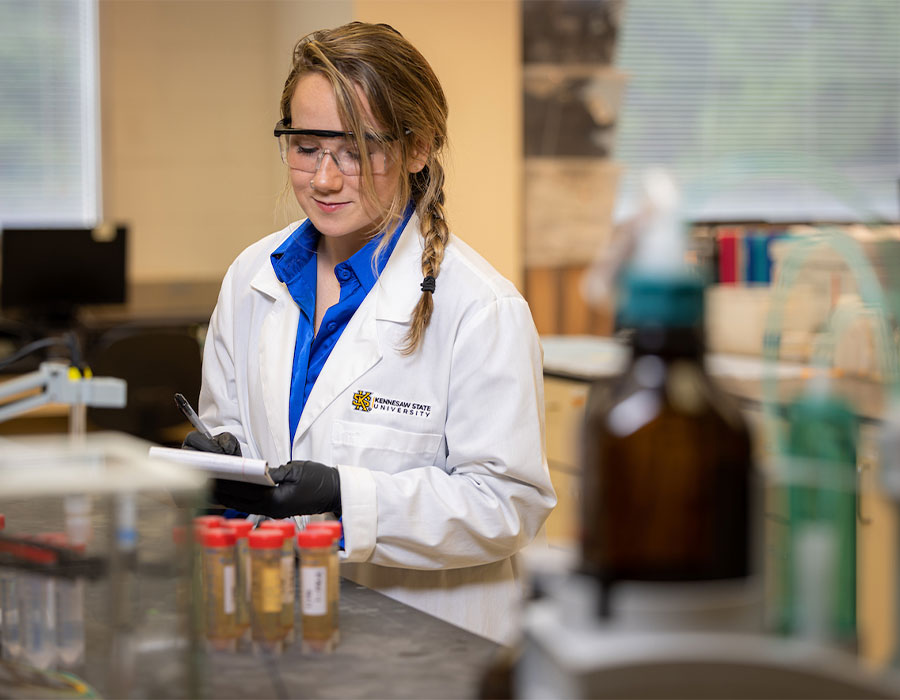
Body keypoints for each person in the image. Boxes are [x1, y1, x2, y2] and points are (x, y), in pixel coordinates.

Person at [184, 21, 556, 645]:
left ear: (418, 148)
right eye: (306, 146)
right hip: (278, 625)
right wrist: (219, 466)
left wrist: (343, 497)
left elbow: (506, 506)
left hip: (426, 648)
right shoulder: (253, 278)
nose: (325, 179)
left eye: (357, 149)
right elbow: (237, 434)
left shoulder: (481, 309)